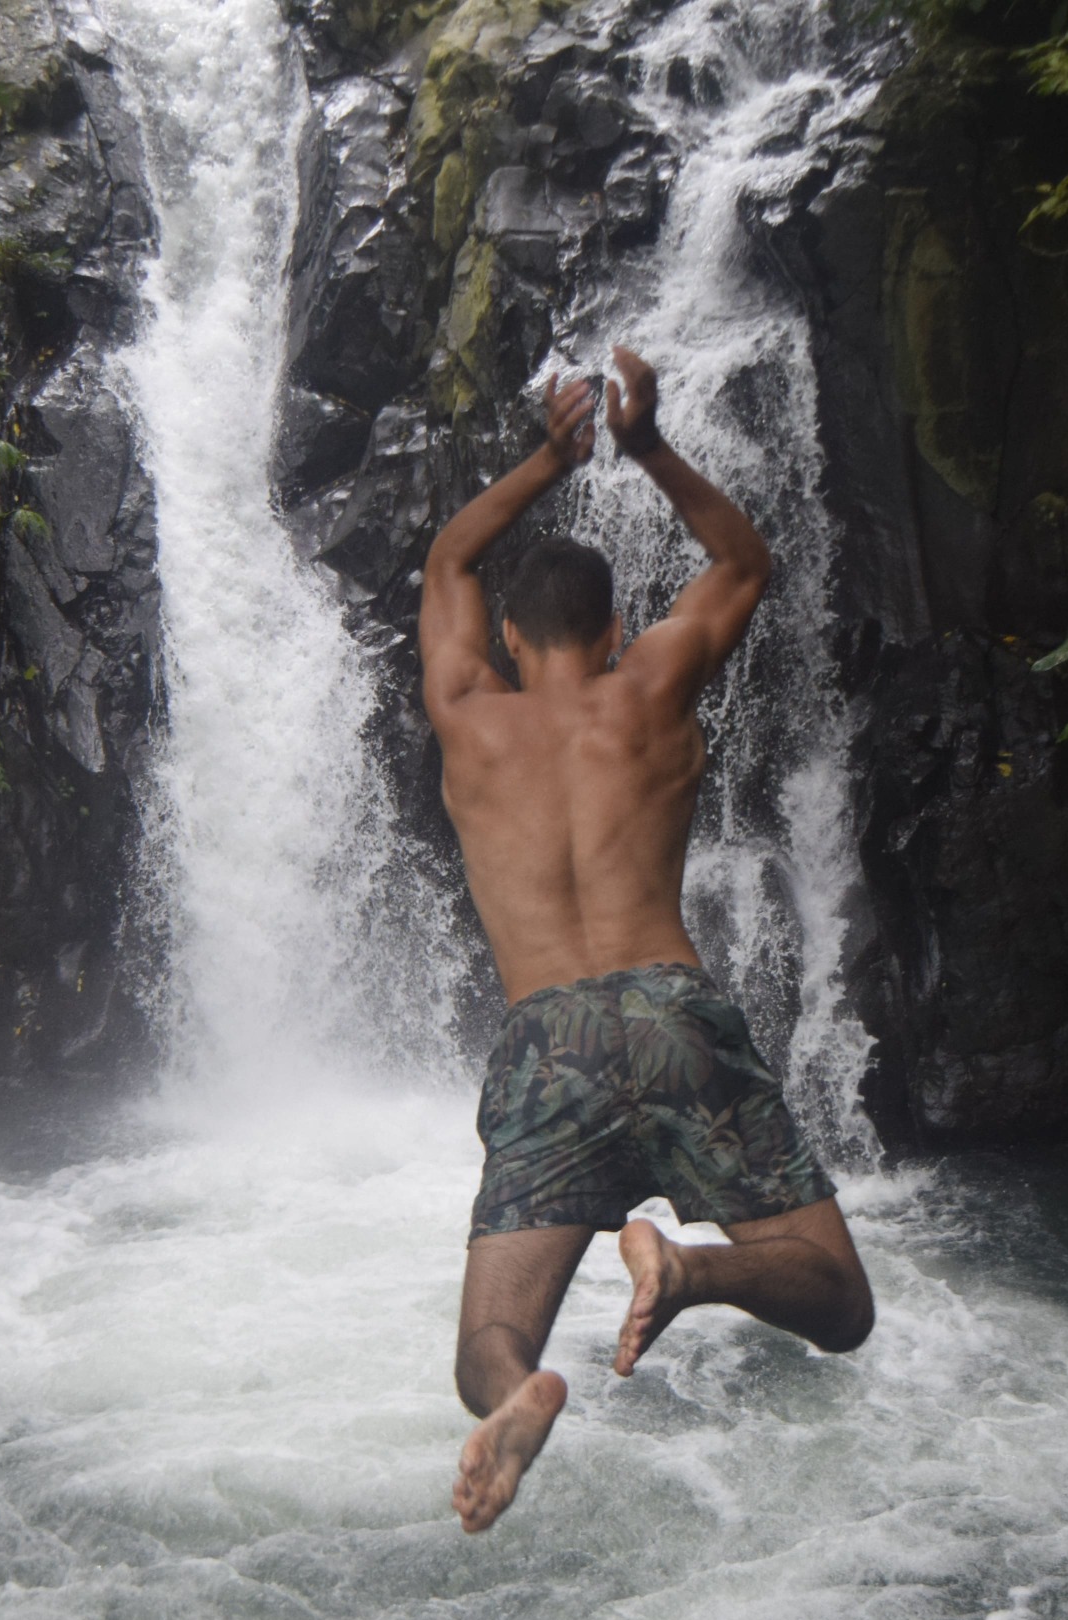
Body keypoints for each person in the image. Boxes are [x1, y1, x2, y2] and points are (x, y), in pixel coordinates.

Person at [426, 347, 876, 1534]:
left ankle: (522, 1396)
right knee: (837, 1298)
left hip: (548, 1038)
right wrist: (647, 444)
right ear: (620, 625)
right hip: (675, 1016)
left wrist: (547, 456)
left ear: (510, 640)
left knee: (490, 1331)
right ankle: (689, 1270)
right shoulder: (652, 685)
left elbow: (449, 558)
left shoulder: (470, 717)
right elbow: (742, 562)